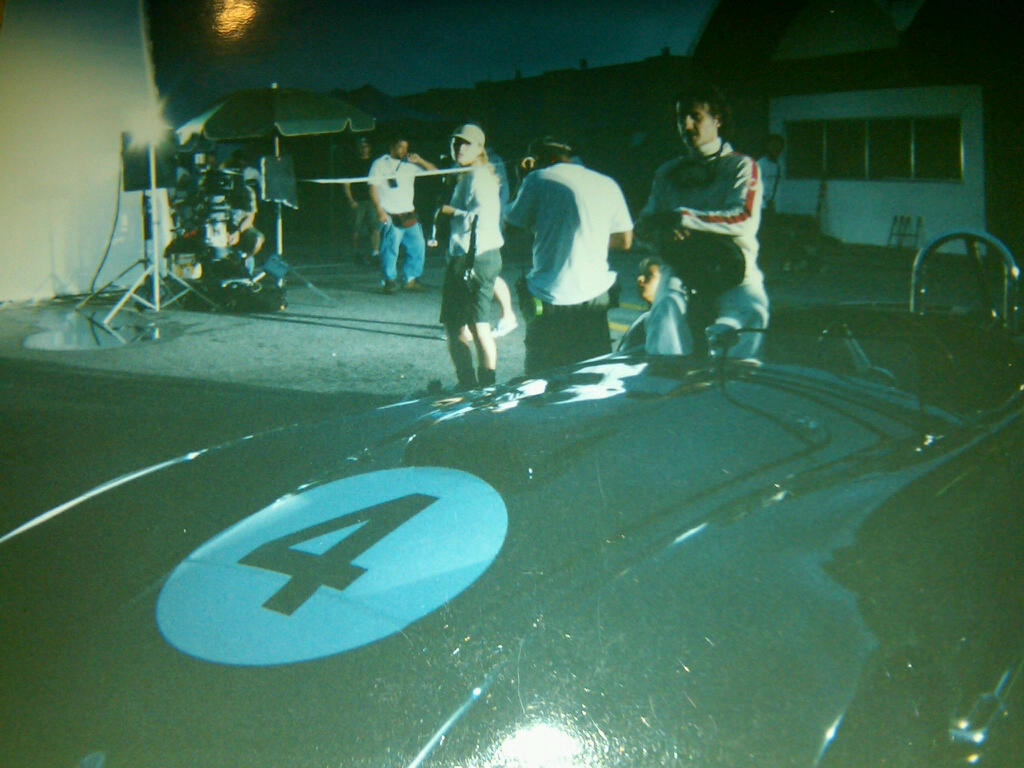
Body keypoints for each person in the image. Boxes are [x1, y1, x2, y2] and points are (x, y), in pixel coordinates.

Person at [638, 83, 768, 359]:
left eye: (695, 116)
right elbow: (644, 226)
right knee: (664, 314)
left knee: (753, 314)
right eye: (680, 118)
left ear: (717, 120)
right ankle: (669, 385)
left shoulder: (741, 166)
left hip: (733, 268)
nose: (686, 125)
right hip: (681, 267)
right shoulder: (667, 172)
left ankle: (736, 383)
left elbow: (742, 218)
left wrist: (682, 219)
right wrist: (665, 234)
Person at [504, 136, 633, 376]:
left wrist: (521, 178)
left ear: (539, 158)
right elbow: (625, 240)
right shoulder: (607, 183)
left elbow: (511, 223)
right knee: (592, 375)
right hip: (595, 297)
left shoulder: (537, 179)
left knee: (542, 378)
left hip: (550, 295)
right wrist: (586, 238)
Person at [437, 124, 504, 389]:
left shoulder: (477, 177)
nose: (459, 148)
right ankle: (486, 385)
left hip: (471, 256)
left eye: (466, 144)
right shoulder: (469, 175)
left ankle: (470, 384)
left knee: (456, 326)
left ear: (479, 148)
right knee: (478, 325)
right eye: (456, 143)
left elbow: (480, 217)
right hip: (479, 255)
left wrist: (450, 212)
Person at [368, 135, 437, 294]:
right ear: (391, 147)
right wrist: (380, 210)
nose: (404, 151)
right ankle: (389, 280)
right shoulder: (379, 164)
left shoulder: (410, 165)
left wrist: (420, 161)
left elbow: (435, 172)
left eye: (406, 147)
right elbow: (372, 187)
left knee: (418, 246)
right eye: (400, 147)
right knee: (390, 249)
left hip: (409, 213)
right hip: (390, 214)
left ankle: (411, 279)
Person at [621, 256, 690, 355]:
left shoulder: (665, 311)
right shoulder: (649, 317)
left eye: (649, 275)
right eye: (641, 274)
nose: (640, 279)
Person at [343, 136, 380, 265]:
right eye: (361, 146)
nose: (363, 149)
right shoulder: (352, 163)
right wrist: (351, 200)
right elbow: (346, 184)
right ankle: (357, 253)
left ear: (369, 148)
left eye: (365, 146)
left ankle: (375, 253)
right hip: (357, 201)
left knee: (375, 228)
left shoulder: (375, 164)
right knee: (356, 229)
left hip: (372, 200)